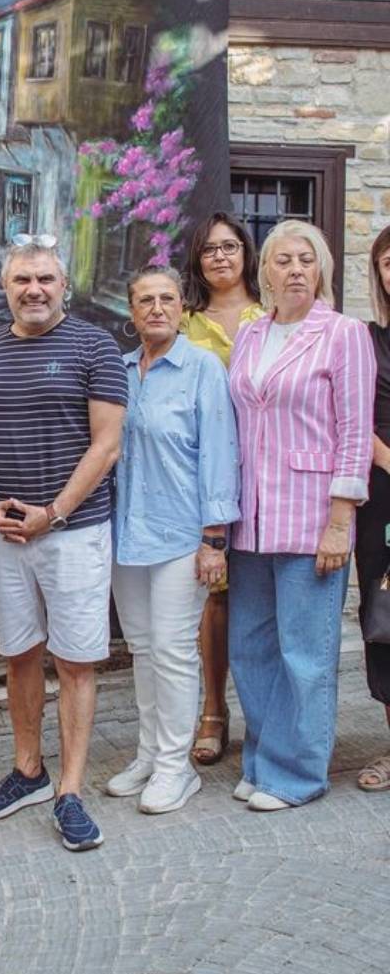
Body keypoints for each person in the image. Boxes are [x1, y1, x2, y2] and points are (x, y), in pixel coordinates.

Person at [0, 236, 126, 852]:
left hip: (74, 532)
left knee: (78, 661)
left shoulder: (95, 346)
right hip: (2, 533)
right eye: (21, 280)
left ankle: (70, 790)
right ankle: (28, 771)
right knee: (20, 652)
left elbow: (106, 445)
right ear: (4, 288)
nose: (34, 289)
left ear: (65, 285)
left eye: (45, 279)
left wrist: (52, 514)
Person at [228, 220, 375, 811]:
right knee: (251, 647)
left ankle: (297, 774)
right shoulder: (249, 336)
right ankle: (263, 758)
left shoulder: (342, 334)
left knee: (305, 654)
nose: (294, 270)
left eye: (306, 261)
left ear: (322, 272)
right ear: (264, 270)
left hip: (313, 516)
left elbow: (355, 431)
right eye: (282, 259)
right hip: (252, 518)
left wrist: (341, 520)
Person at [108, 267, 240, 814]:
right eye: (145, 300)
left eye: (166, 299)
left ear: (182, 307)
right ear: (131, 312)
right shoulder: (119, 373)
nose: (156, 308)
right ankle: (148, 754)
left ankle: (174, 766)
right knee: (141, 649)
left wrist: (215, 539)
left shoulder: (203, 369)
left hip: (183, 535)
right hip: (126, 535)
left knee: (172, 650)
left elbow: (220, 453)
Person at [181, 212, 264, 767]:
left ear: (245, 253)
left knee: (260, 596)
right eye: (209, 249)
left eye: (229, 246)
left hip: (268, 474)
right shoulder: (185, 322)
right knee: (213, 598)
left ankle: (265, 715)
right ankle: (213, 711)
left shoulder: (274, 315)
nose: (220, 257)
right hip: (203, 476)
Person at [353, 225, 390, 791]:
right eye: (388, 260)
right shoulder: (364, 338)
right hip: (381, 490)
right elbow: (353, 414)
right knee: (386, 622)